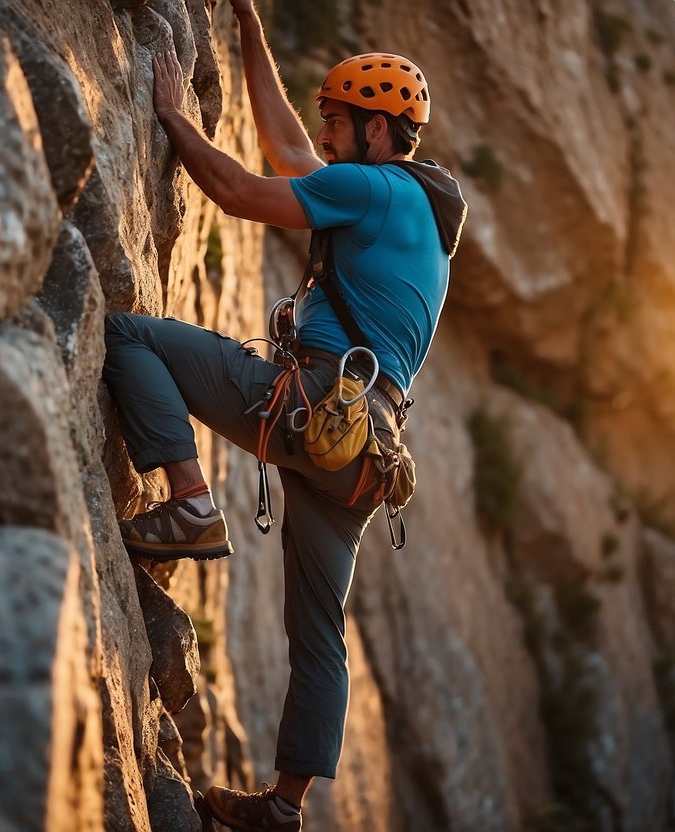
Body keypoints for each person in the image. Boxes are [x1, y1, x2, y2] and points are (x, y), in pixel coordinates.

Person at [102, 1, 465, 828]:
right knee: (319, 635)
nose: (324, 132)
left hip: (309, 406)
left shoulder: (367, 190)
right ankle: (285, 808)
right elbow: (287, 152)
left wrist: (170, 118)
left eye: (337, 120)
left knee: (130, 338)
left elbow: (237, 187)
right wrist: (248, 27)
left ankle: (191, 501)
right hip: (364, 456)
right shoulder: (409, 210)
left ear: (376, 130)